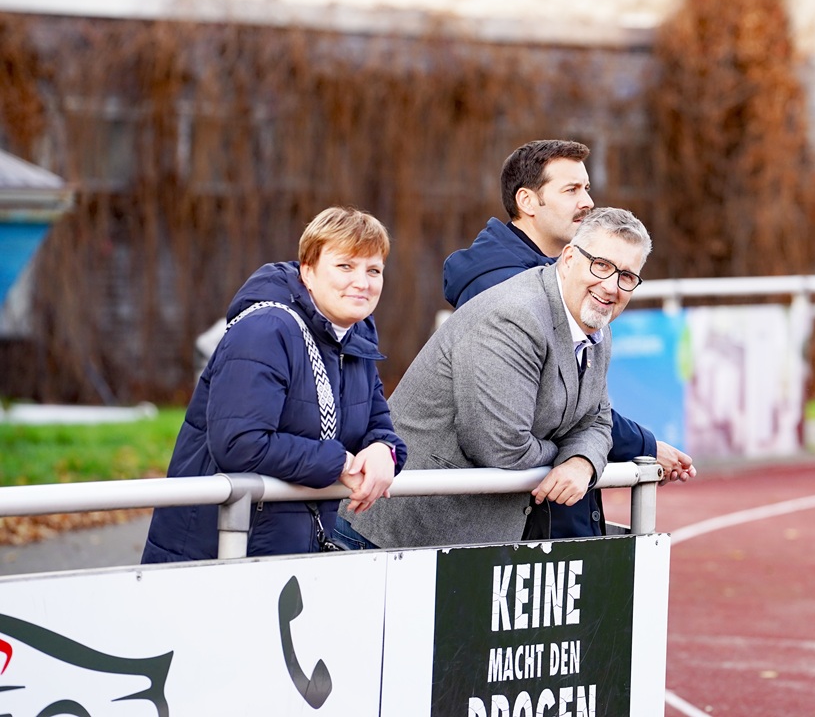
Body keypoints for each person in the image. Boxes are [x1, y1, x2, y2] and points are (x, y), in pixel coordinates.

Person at [339, 207, 650, 548]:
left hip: (466, 541)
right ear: (569, 258)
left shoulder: (596, 328)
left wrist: (583, 462)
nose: (611, 286)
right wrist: (567, 453)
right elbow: (500, 448)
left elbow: (597, 420)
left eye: (627, 276)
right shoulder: (515, 316)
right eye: (601, 265)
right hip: (396, 534)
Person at [442, 139, 695, 538]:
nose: (587, 202)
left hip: (540, 516)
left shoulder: (583, 289)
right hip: (503, 525)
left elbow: (588, 411)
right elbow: (537, 423)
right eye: (571, 190)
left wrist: (586, 457)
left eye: (588, 188)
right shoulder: (504, 294)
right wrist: (634, 446)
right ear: (527, 201)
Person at [141, 206, 407, 562]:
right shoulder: (266, 330)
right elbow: (239, 443)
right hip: (217, 554)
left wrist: (384, 452)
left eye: (374, 270)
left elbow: (377, 426)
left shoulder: (353, 338)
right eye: (345, 266)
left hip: (289, 552)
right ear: (308, 271)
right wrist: (339, 463)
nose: (363, 282)